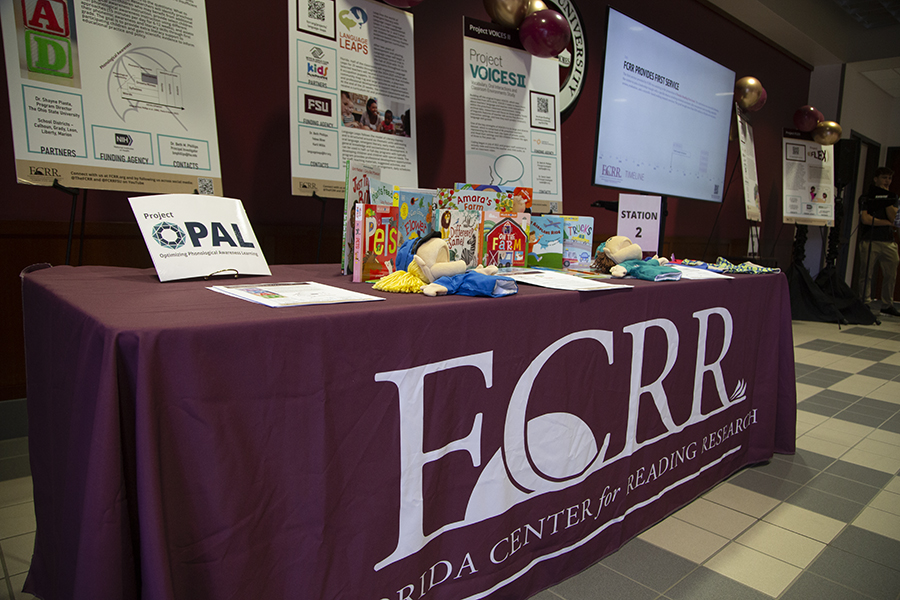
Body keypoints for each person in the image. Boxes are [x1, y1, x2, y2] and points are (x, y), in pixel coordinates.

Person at [857, 166, 900, 317]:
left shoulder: (893, 198)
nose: (887, 181)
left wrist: (886, 198)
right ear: (876, 179)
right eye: (884, 178)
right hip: (870, 240)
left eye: (889, 178)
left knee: (891, 274)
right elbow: (866, 219)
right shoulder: (866, 197)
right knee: (866, 273)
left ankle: (887, 304)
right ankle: (865, 302)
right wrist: (886, 223)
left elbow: (895, 219)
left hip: (888, 241)